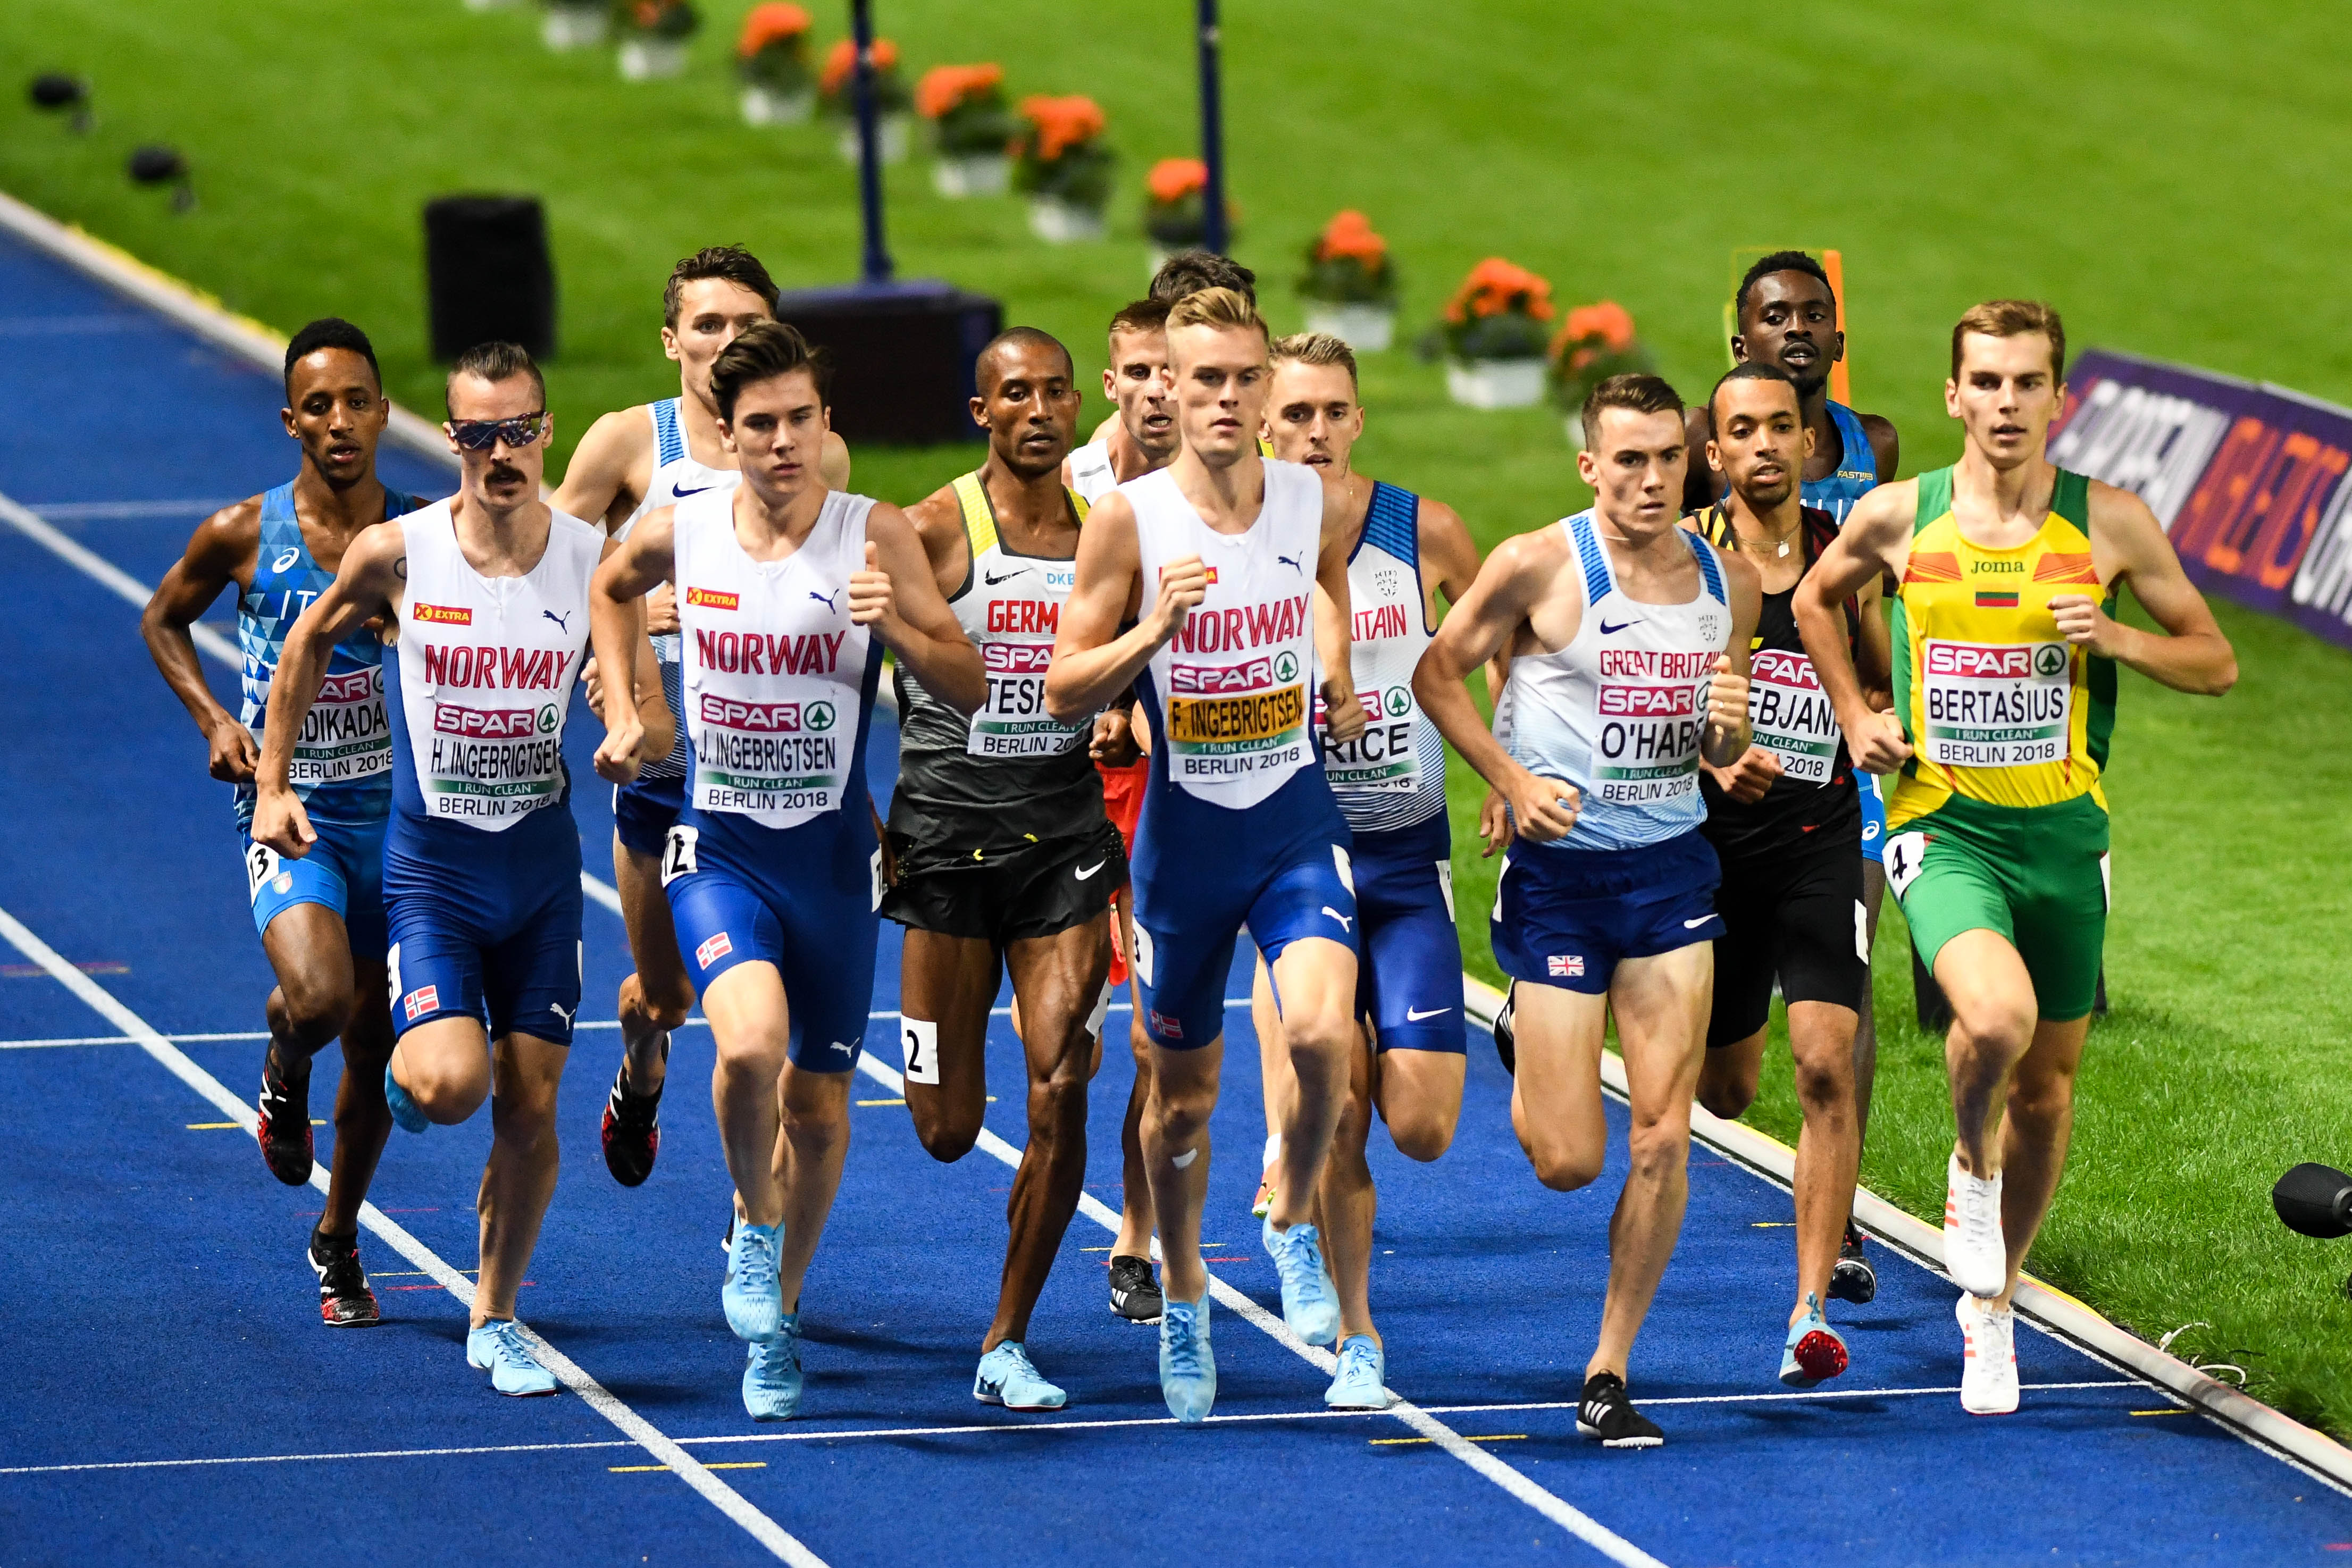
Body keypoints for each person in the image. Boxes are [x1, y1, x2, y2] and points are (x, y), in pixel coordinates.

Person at [1793, 300, 2235, 1415]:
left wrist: (2119, 635)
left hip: (2063, 835)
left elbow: (2215, 662)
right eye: (1983, 383)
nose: (2003, 404)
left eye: (2024, 383)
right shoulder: (1902, 516)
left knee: (2046, 1090)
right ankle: (1965, 1172)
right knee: (1992, 1021)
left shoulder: (2111, 524)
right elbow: (1810, 596)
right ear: (1952, 395)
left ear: (2056, 399)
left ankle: (1992, 1312)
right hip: (1944, 827)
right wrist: (1855, 711)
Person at [255, 341, 668, 1396]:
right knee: (448, 1085)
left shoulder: (592, 560)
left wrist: (630, 730)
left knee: (531, 1104)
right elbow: (304, 644)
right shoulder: (398, 552)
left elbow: (648, 706)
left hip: (537, 872)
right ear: (449, 439)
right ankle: (401, 1069)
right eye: (478, 434)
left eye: (518, 430)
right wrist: (273, 781)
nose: (500, 453)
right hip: (433, 870)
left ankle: (495, 1312)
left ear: (546, 431)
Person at [590, 321, 984, 1421]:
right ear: (726, 429)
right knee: (749, 1040)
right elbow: (609, 584)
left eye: (799, 419)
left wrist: (900, 623)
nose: (781, 442)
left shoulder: (877, 534)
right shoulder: (686, 528)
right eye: (758, 424)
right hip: (718, 847)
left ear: (824, 421)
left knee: (817, 1109)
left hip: (831, 860)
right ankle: (754, 1239)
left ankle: (781, 1313)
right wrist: (634, 706)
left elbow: (968, 680)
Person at [1416, 373, 1759, 1447]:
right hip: (1561, 879)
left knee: (1663, 1131)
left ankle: (1609, 1367)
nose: (1650, 478)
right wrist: (1510, 784)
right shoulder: (1537, 562)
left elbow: (1716, 747)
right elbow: (1436, 671)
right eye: (1628, 459)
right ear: (1589, 465)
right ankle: (1526, 1028)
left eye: (1668, 457)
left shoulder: (1727, 582)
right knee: (1567, 1157)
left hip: (1670, 874)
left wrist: (1724, 735)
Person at [1047, 286, 1369, 1423]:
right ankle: (1184, 1287)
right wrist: (1151, 636)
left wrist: (1333, 673)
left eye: (1245, 380)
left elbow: (1323, 593)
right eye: (1205, 381)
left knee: (1327, 1029)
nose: (1227, 399)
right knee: (1178, 1102)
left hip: (1291, 816)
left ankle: (1285, 1196)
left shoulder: (1308, 499)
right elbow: (1060, 681)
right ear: (1166, 390)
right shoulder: (1127, 520)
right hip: (1183, 839)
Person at [141, 318, 423, 1328]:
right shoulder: (243, 533)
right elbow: (161, 617)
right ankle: (281, 1063)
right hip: (290, 811)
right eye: (318, 405)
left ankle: (338, 1237)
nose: (339, 422)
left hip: (400, 825)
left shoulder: (425, 536)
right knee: (316, 999)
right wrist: (217, 717)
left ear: (386, 410)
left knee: (380, 1044)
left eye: (356, 400)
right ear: (289, 420)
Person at [551, 246, 851, 1188]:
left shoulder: (816, 452)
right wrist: (621, 641)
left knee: (764, 1027)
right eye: (708, 324)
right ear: (672, 339)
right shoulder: (627, 443)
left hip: (773, 777)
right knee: (671, 996)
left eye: (747, 324)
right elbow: (555, 571)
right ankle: (640, 1066)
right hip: (662, 768)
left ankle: (753, 1218)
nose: (728, 340)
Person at [884, 328, 1131, 1410]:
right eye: (1012, 393)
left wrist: (1127, 719)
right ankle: (1019, 1200)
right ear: (980, 409)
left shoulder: (1107, 538)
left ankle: (1007, 1335)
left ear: (1078, 407)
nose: (1037, 409)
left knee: (1062, 1083)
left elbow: (1148, 670)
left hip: (1061, 846)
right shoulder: (934, 528)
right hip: (944, 846)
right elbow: (842, 665)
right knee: (943, 1128)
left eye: (1053, 391)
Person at [1246, 330, 1481, 1408]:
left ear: (1360, 417)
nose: (1316, 433)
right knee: (1336, 1096)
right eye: (1295, 414)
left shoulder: (1424, 531)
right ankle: (1354, 1331)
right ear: (1260, 423)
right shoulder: (1240, 543)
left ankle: (1296, 1140)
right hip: (1299, 858)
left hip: (1410, 859)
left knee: (1423, 1124)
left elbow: (1519, 652)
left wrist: (1520, 780)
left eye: (1334, 411)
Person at [1687, 250, 1901, 1302]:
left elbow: (1879, 653)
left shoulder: (1867, 476)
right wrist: (1706, 745)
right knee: (1727, 1088)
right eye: (1778, 317)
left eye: (1816, 315)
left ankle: (1834, 1249)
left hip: (1833, 800)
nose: (1799, 330)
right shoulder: (1691, 514)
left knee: (1833, 1031)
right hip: (1708, 815)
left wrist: (1880, 715)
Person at [1064, 297, 1182, 1327]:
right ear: (1113, 383)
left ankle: (1133, 1237)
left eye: (1169, 371)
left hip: (1159, 794)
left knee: (1155, 1044)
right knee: (1068, 1045)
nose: (1156, 391)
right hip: (1058, 800)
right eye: (1136, 372)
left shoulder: (1220, 495)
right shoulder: (1076, 488)